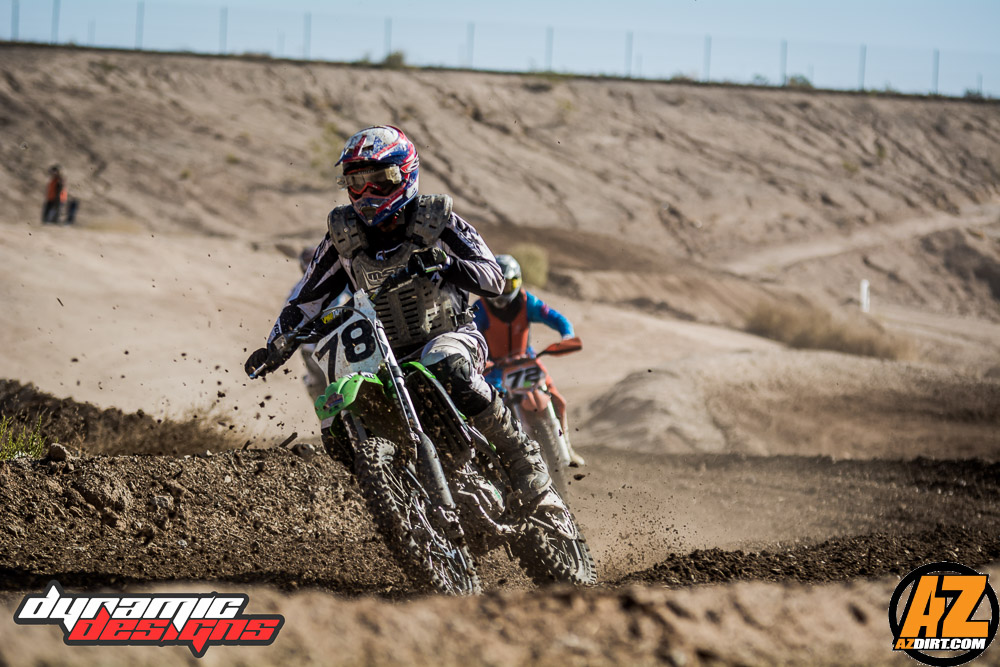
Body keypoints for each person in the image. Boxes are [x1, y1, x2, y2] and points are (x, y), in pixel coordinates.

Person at [244, 125, 554, 506]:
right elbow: (305, 300)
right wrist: (277, 344)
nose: (366, 193)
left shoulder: (436, 219)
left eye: (379, 179)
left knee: (444, 364)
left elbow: (493, 278)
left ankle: (523, 455)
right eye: (356, 182)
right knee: (340, 415)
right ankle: (394, 502)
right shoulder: (343, 236)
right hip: (383, 356)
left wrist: (447, 264)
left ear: (405, 174)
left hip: (450, 335)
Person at [472, 255, 586, 467]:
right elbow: (471, 336)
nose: (502, 290)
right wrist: (479, 360)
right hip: (495, 368)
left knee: (559, 401)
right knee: (491, 407)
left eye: (507, 284)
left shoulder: (527, 303)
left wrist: (567, 335)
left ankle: (567, 447)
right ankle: (494, 459)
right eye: (497, 284)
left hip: (527, 361)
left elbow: (556, 318)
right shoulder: (480, 309)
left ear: (517, 282)